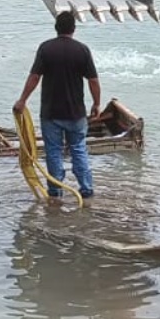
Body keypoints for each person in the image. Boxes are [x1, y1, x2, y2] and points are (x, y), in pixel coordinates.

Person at [13, 11, 102, 199]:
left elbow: (34, 77)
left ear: (56, 28)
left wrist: (22, 100)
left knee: (53, 151)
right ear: (74, 29)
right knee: (78, 148)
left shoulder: (46, 49)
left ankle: (55, 191)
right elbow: (93, 81)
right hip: (76, 113)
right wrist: (96, 104)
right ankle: (86, 189)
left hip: (50, 113)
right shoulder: (82, 50)